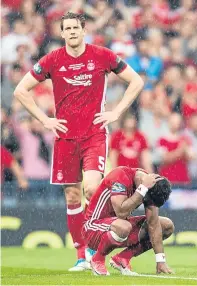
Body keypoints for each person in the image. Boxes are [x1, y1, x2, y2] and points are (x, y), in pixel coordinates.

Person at [13, 12, 144, 270]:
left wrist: (117, 112)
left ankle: (97, 248)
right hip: (65, 137)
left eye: (76, 28)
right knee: (72, 196)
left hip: (94, 134)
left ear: (83, 31)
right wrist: (44, 120)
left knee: (91, 189)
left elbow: (136, 81)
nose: (72, 32)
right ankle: (82, 255)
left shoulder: (102, 56)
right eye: (67, 28)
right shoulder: (52, 60)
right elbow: (20, 90)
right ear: (62, 33)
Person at [82, 167, 174, 276]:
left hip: (117, 228)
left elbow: (153, 224)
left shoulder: (150, 187)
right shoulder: (120, 177)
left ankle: (122, 258)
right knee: (124, 226)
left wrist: (160, 261)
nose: (148, 203)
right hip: (93, 227)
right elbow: (121, 213)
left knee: (166, 225)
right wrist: (142, 190)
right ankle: (97, 259)